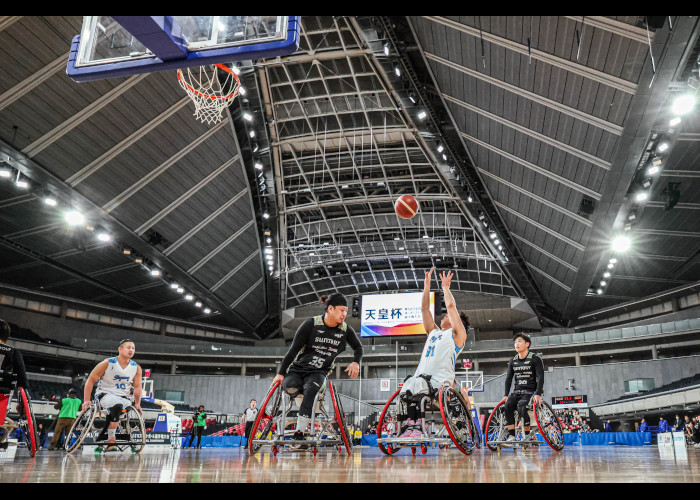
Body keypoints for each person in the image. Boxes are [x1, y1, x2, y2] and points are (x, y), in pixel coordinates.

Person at [271, 292, 363, 441]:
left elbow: (359, 348)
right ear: (331, 309)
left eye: (346, 310)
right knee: (290, 386)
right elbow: (293, 350)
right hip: (298, 370)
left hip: (319, 372)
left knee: (311, 390)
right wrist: (281, 373)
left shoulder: (345, 330)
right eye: (342, 310)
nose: (345, 314)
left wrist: (356, 362)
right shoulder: (311, 324)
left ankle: (299, 433)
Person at [399, 269, 470, 438]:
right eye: (445, 315)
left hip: (440, 383)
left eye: (448, 316)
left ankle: (460, 425)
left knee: (417, 386)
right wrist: (426, 287)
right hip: (422, 379)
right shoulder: (433, 332)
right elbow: (424, 309)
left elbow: (451, 306)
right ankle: (412, 426)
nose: (445, 316)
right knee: (408, 385)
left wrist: (445, 287)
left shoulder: (458, 336)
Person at [82, 339, 142, 450]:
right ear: (120, 349)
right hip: (105, 396)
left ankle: (112, 438)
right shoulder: (108, 363)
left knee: (122, 405)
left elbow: (138, 387)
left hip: (123, 398)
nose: (131, 350)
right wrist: (86, 400)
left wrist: (138, 403)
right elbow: (91, 379)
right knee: (117, 405)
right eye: (128, 347)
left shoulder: (136, 368)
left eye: (133, 348)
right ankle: (111, 439)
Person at [498, 332, 545, 443]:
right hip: (517, 391)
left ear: (527, 344)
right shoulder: (513, 361)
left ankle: (527, 435)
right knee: (508, 405)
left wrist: (538, 393)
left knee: (521, 406)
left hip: (530, 391)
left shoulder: (535, 359)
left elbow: (540, 377)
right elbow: (508, 379)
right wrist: (505, 395)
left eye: (519, 341)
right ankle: (511, 435)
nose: (516, 344)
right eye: (515, 342)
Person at [0, 319, 30, 442]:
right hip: (2, 398)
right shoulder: (13, 352)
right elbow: (22, 379)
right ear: (7, 337)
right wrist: (22, 402)